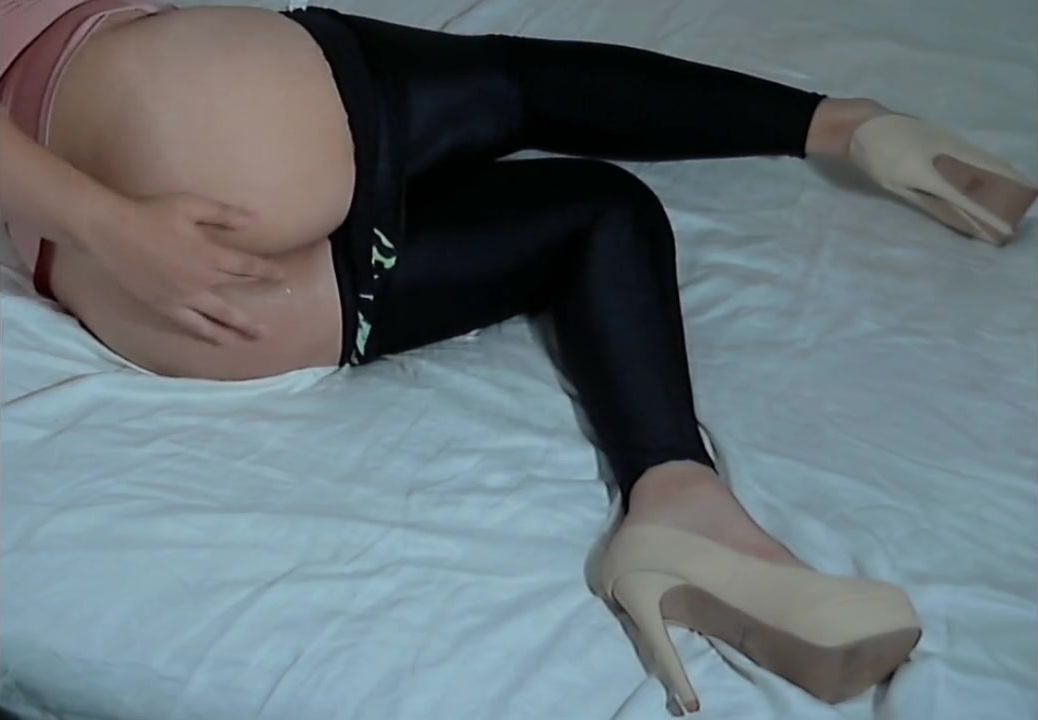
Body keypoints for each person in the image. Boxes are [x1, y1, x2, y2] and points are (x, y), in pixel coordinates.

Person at [1, 1, 1035, 714]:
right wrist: (112, 223)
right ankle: (846, 127)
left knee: (595, 212)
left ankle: (677, 503)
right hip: (179, 134)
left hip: (192, 314)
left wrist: (106, 238)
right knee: (518, 85)